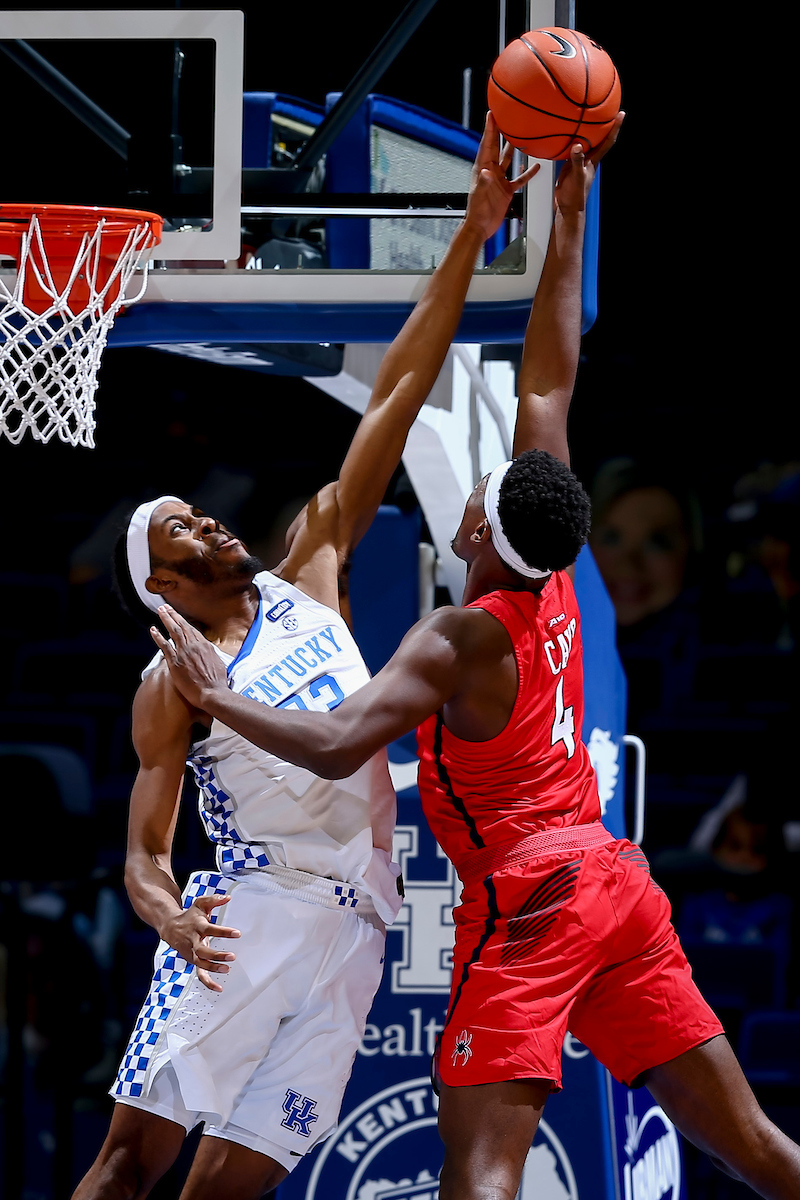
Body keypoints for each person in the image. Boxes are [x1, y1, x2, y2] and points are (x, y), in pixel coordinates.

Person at [153, 120, 800, 1200]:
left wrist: (221, 699)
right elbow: (549, 380)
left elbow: (334, 742)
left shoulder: (456, 636)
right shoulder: (549, 567)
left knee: (483, 1171)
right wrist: (570, 213)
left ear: (474, 527)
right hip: (615, 886)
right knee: (756, 1147)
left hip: (534, 895)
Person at [72, 117, 537, 1200]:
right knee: (130, 1162)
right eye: (180, 528)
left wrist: (468, 237)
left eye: (200, 512)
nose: (208, 525)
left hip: (354, 934)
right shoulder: (166, 686)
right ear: (164, 586)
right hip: (249, 916)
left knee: (234, 1188)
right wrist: (165, 911)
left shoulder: (313, 561)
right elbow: (143, 852)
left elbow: (396, 397)